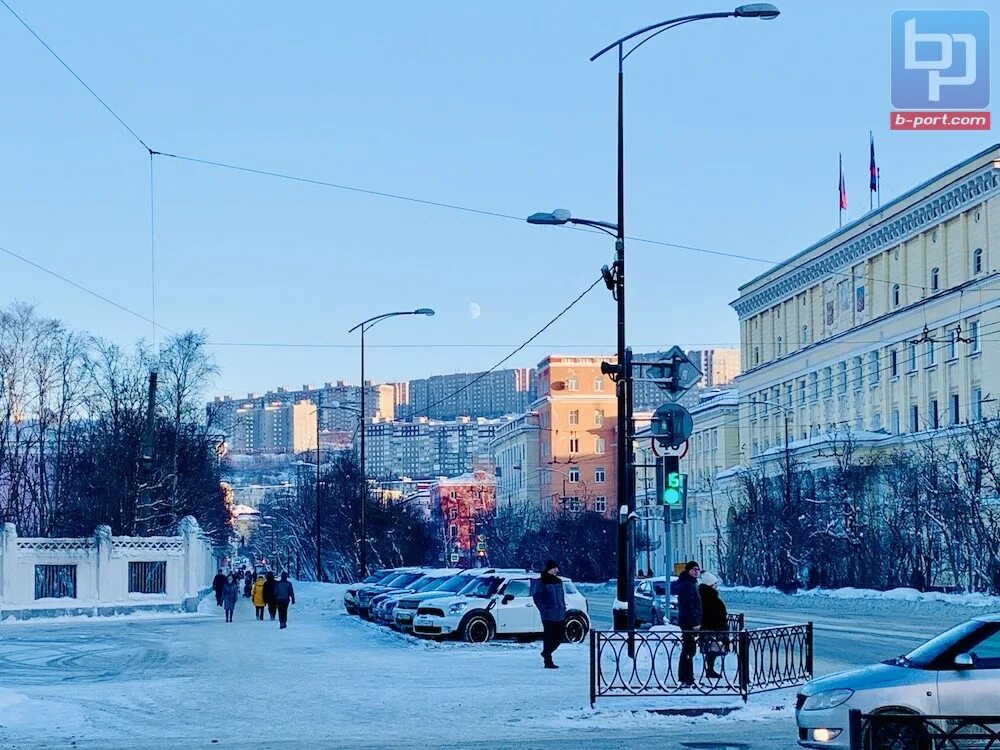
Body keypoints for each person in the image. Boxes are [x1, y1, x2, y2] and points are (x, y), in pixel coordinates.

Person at [671, 560, 703, 687]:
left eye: (697, 569)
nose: (696, 572)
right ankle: (686, 677)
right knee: (689, 649)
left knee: (688, 649)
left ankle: (685, 676)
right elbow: (688, 606)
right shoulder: (687, 585)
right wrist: (695, 622)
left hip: (686, 621)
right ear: (688, 571)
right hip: (688, 622)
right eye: (694, 569)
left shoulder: (689, 583)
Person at [530, 560, 567, 669]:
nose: (557, 570)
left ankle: (546, 652)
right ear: (550, 569)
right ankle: (548, 660)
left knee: (560, 636)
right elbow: (537, 597)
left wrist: (563, 607)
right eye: (555, 568)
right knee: (549, 637)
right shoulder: (542, 582)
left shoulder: (558, 581)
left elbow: (561, 597)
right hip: (548, 615)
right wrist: (544, 609)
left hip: (559, 613)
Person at [698, 571, 728, 679]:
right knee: (712, 650)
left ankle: (709, 669)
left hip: (709, 626)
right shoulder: (710, 597)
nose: (716, 586)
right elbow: (715, 612)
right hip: (713, 627)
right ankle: (709, 670)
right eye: (715, 584)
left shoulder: (704, 595)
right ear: (710, 585)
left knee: (711, 650)